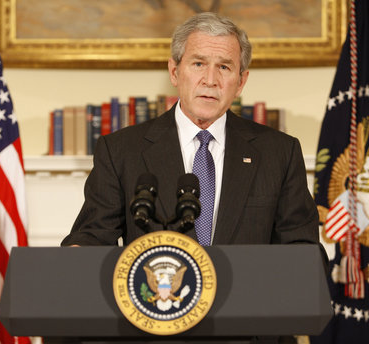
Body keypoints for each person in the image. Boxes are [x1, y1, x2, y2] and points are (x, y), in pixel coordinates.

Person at [61, 12, 319, 250]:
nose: (210, 80)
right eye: (198, 64)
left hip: (247, 297)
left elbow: (302, 251)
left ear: (241, 82)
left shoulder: (279, 153)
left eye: (224, 67)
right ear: (174, 72)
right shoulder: (121, 151)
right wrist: (78, 253)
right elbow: (92, 237)